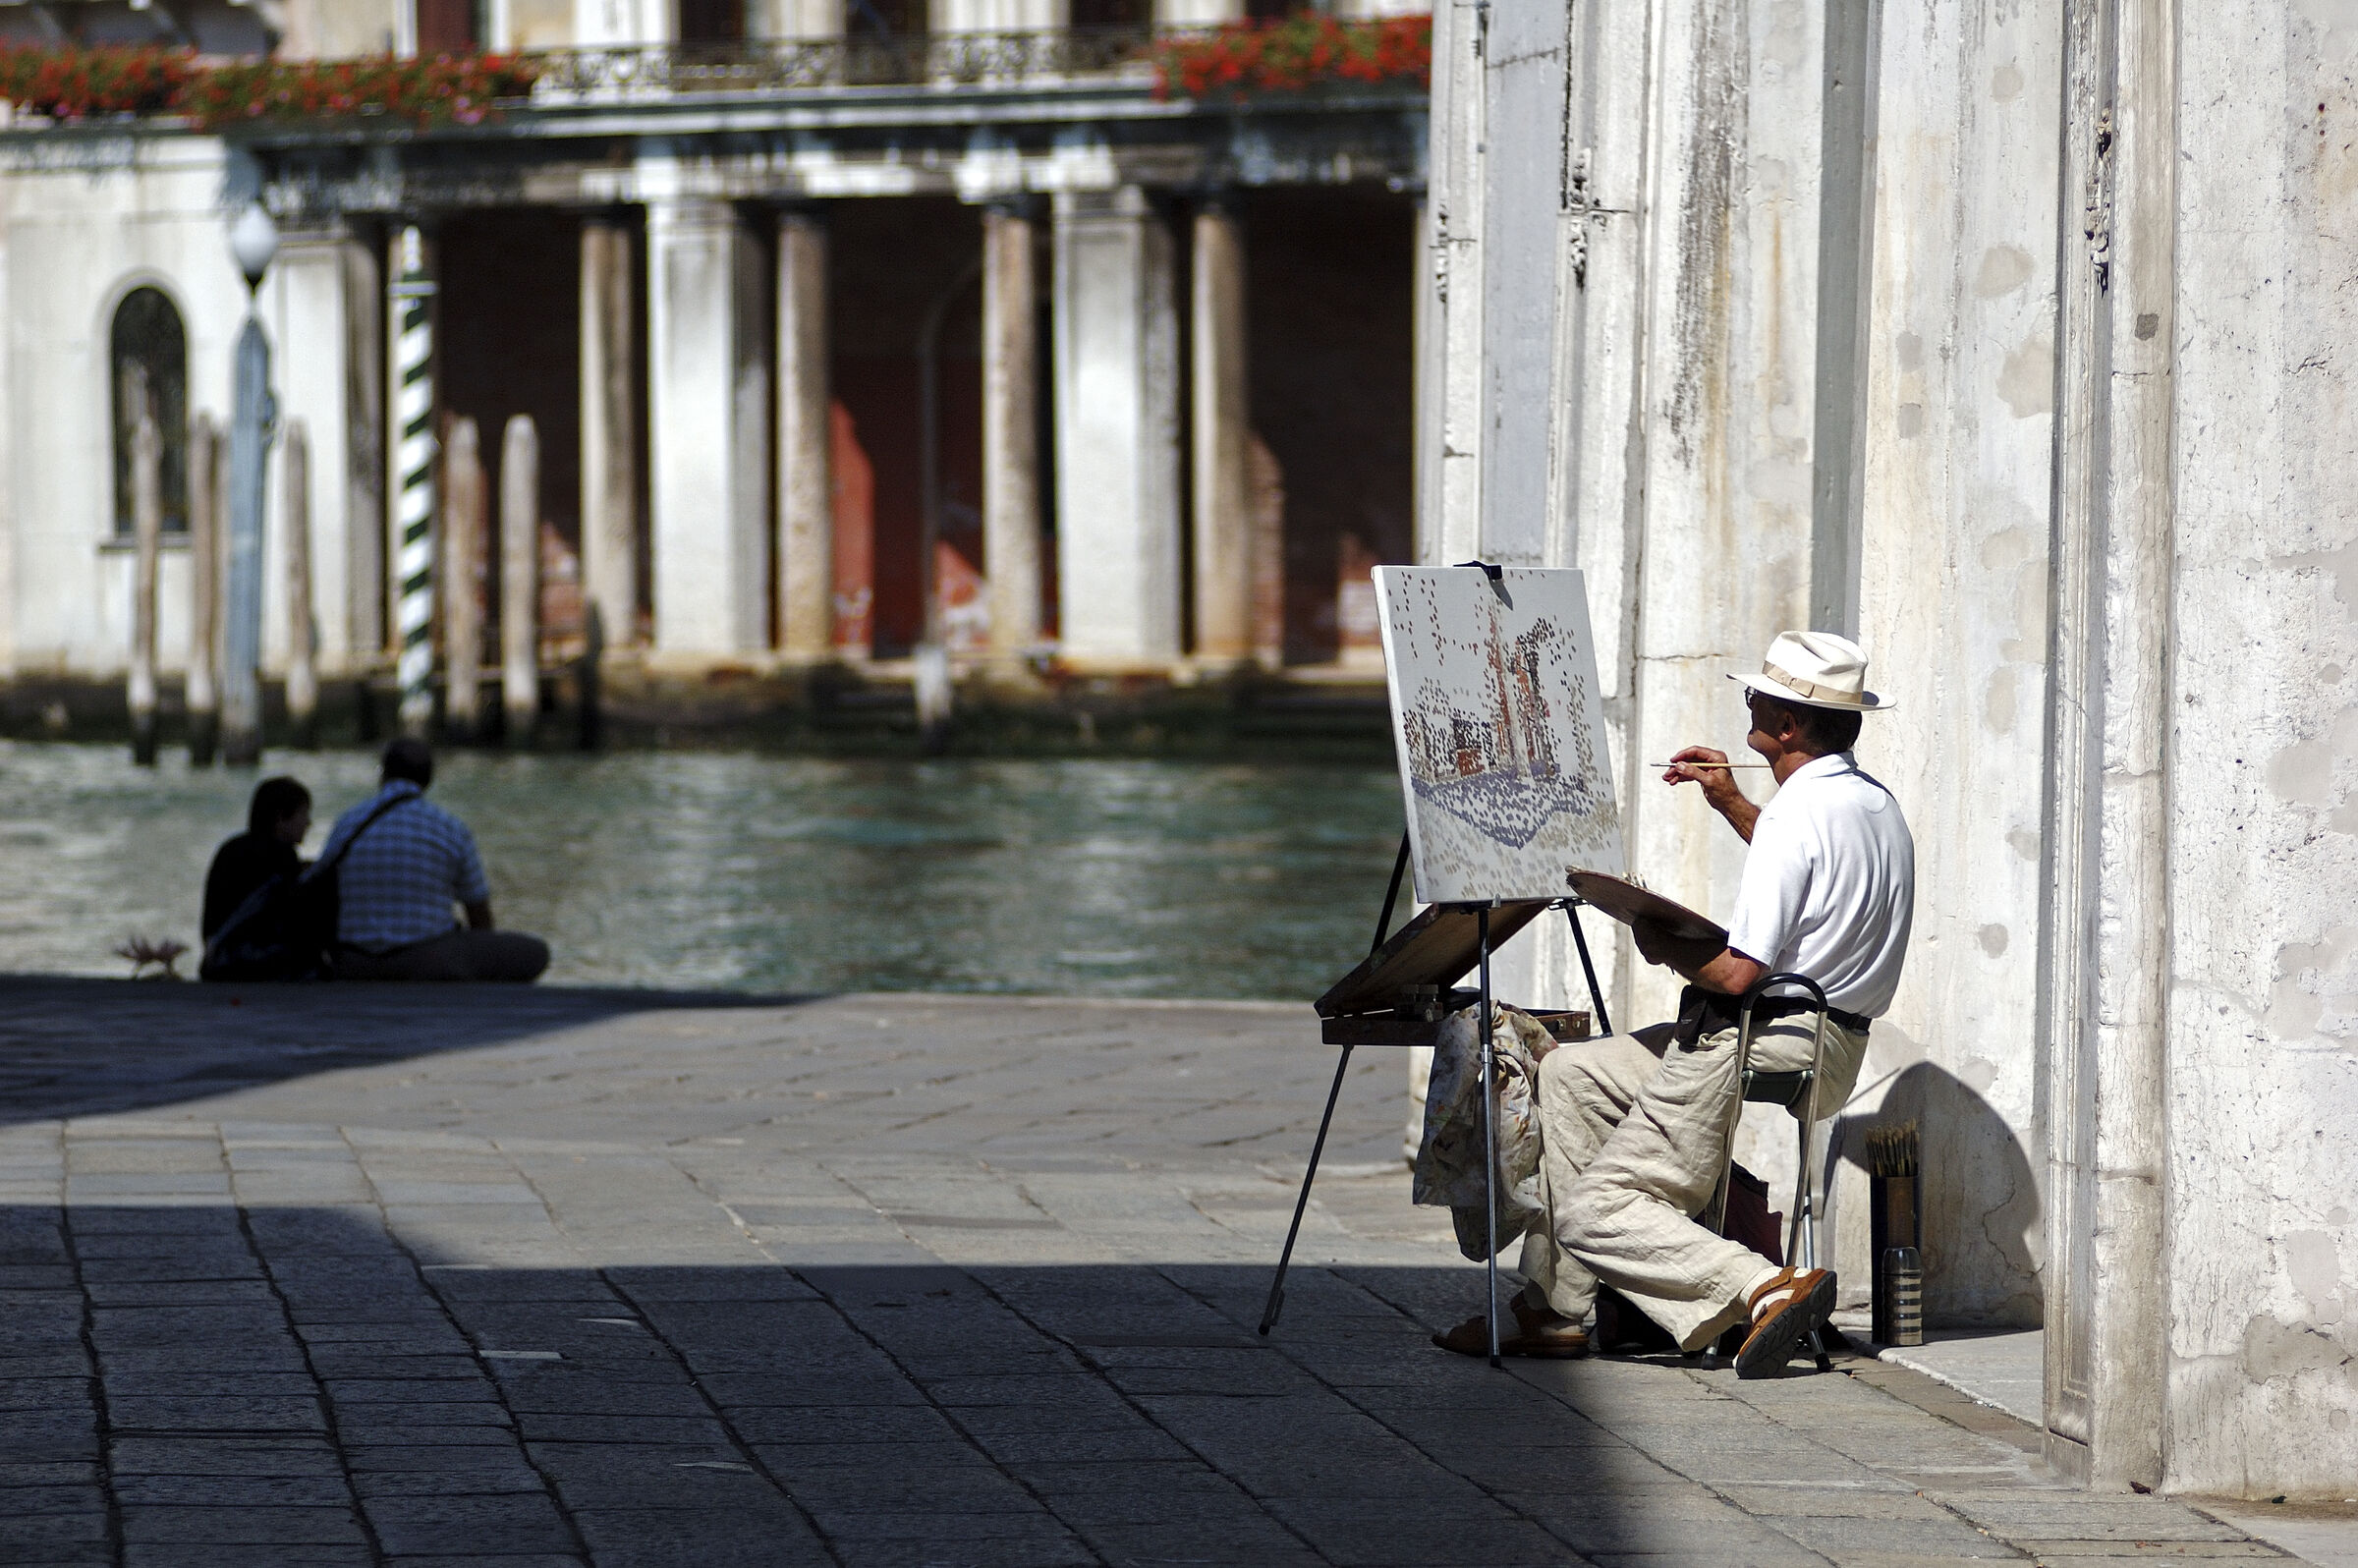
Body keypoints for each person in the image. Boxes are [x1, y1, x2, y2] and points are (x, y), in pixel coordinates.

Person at [1434, 630, 1915, 1377]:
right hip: (1831, 1039)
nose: (1746, 702)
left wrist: (1659, 937)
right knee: (1570, 1075)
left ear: (1787, 727)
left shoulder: (1798, 815)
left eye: (1757, 695)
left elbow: (1733, 976)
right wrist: (1729, 802)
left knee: (1597, 1213)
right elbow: (1807, 874)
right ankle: (1555, 1310)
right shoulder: (1868, 803)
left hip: (1761, 1032)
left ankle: (1764, 1287)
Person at [313, 738, 549, 982]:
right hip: (429, 961)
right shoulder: (449, 827)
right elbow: (478, 911)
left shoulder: (347, 823)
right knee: (535, 952)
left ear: (383, 773)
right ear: (428, 779)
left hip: (355, 962)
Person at [200, 776, 312, 942]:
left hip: (221, 959)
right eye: (303, 813)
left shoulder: (230, 849)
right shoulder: (282, 857)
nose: (308, 822)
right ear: (281, 818)